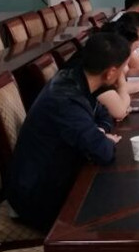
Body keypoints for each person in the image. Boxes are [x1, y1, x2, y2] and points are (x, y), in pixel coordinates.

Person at [6, 33, 129, 233]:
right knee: (116, 211)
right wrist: (100, 138)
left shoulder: (77, 78)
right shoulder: (66, 99)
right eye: (123, 69)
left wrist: (98, 131)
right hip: (37, 197)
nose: (123, 74)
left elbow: (105, 116)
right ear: (110, 73)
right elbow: (103, 152)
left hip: (53, 175)